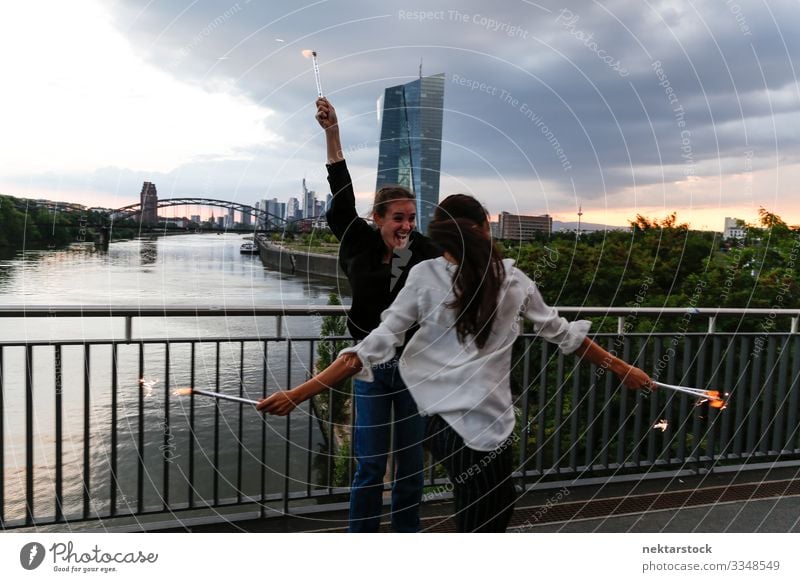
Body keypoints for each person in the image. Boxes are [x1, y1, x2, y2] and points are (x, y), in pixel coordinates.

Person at [258, 193, 653, 532]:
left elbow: (372, 346)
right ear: (487, 226)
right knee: (487, 516)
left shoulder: (427, 275)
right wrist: (623, 369)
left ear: (440, 235)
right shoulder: (512, 281)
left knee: (484, 508)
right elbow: (563, 334)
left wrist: (300, 393)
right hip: (479, 426)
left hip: (440, 421)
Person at [308, 97, 440, 532]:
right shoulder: (357, 241)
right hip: (368, 365)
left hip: (414, 367)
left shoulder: (422, 250)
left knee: (410, 469)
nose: (406, 226)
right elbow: (340, 193)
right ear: (376, 218)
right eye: (398, 218)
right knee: (369, 465)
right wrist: (333, 133)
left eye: (412, 218)